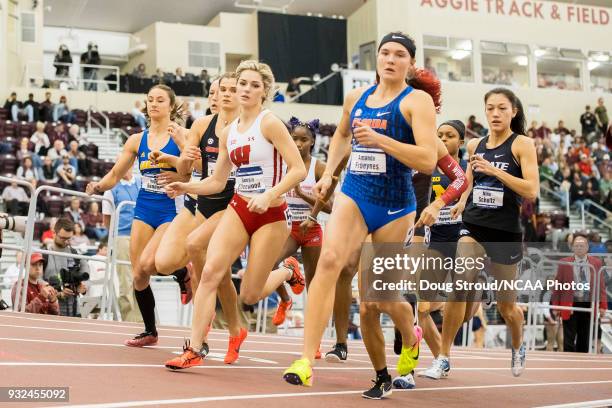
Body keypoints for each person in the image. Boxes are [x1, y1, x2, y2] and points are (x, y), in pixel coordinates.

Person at [283, 32, 439, 400]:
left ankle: (410, 332)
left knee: (379, 299)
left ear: (410, 64)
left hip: (395, 204)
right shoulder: (357, 98)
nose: (390, 59)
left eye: (399, 54)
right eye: (384, 52)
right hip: (355, 192)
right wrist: (327, 175)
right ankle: (306, 360)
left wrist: (380, 140)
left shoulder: (416, 102)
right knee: (329, 262)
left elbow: (428, 160)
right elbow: (340, 136)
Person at [163, 60, 306, 370]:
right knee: (210, 272)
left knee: (251, 295)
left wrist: (269, 195)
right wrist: (185, 185)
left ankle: (288, 270)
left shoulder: (269, 124)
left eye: (255, 85)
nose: (246, 90)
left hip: (271, 213)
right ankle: (195, 348)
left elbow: (299, 169)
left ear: (264, 91)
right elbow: (216, 181)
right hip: (239, 207)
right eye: (243, 84)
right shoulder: (229, 132)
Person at [442, 87, 538, 378]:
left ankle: (518, 346)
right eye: (491, 108)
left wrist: (497, 172)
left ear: (513, 112)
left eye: (502, 108)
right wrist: (460, 201)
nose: (495, 114)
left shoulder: (523, 144)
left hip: (505, 232)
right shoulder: (475, 145)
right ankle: (443, 357)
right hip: (473, 225)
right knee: (459, 286)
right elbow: (470, 179)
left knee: (508, 307)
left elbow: (531, 190)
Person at [154, 74, 247, 364]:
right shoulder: (201, 125)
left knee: (198, 251)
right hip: (199, 200)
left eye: (229, 91)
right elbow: (185, 169)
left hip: (230, 204)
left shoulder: (247, 127)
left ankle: (205, 326)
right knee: (166, 263)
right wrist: (183, 154)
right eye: (216, 92)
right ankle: (234, 328)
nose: (219, 96)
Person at [86, 84, 186, 346]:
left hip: (170, 209)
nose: (154, 104)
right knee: (139, 275)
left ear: (171, 106)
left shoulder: (181, 135)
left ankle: (180, 270)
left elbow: (196, 170)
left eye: (160, 100)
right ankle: (150, 331)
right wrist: (97, 186)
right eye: (150, 100)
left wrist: (178, 174)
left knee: (152, 264)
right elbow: (116, 174)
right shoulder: (136, 140)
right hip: (144, 208)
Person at [414, 120, 469, 379]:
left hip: (463, 238)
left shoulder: (469, 169)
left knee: (466, 312)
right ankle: (441, 358)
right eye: (440, 135)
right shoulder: (426, 167)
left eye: (450, 136)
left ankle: (479, 288)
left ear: (461, 142)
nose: (444, 139)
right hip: (435, 241)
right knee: (422, 306)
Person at [270, 117, 328, 329]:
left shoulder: (319, 168)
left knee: (313, 288)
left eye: (303, 139)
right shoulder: (283, 164)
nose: (298, 144)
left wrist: (303, 195)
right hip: (289, 228)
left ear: (312, 141)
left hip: (311, 229)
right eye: (294, 138)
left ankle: (316, 340)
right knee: (269, 263)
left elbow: (330, 206)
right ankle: (285, 299)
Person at [551, 235, 607, 353]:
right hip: (570, 304)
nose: (579, 248)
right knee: (568, 340)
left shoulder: (596, 263)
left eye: (582, 245)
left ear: (587, 247)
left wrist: (603, 306)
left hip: (588, 305)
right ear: (572, 248)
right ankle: (568, 365)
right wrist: (555, 306)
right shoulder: (564, 262)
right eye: (576, 245)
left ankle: (582, 364)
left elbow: (601, 286)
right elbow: (557, 285)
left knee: (584, 340)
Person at [102, 162, 142, 322]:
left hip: (143, 236)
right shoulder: (111, 188)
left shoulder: (140, 181)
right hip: (123, 236)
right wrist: (116, 237)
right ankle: (129, 319)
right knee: (126, 279)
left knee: (142, 277)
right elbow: (107, 219)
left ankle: (143, 318)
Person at [43, 217, 90, 317]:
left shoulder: (74, 253)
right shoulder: (44, 253)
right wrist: (57, 293)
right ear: (54, 233)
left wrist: (83, 287)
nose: (66, 242)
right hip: (50, 309)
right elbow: (36, 279)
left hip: (74, 308)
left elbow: (86, 270)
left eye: (69, 238)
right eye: (63, 238)